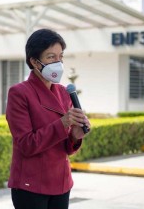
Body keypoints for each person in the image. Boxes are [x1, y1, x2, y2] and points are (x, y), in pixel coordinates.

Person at [6, 29, 91, 209]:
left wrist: (75, 136)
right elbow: (27, 144)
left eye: (60, 57)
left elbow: (65, 148)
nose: (58, 62)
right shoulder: (19, 93)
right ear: (34, 61)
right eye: (51, 57)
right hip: (31, 185)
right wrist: (63, 123)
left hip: (61, 183)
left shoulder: (63, 92)